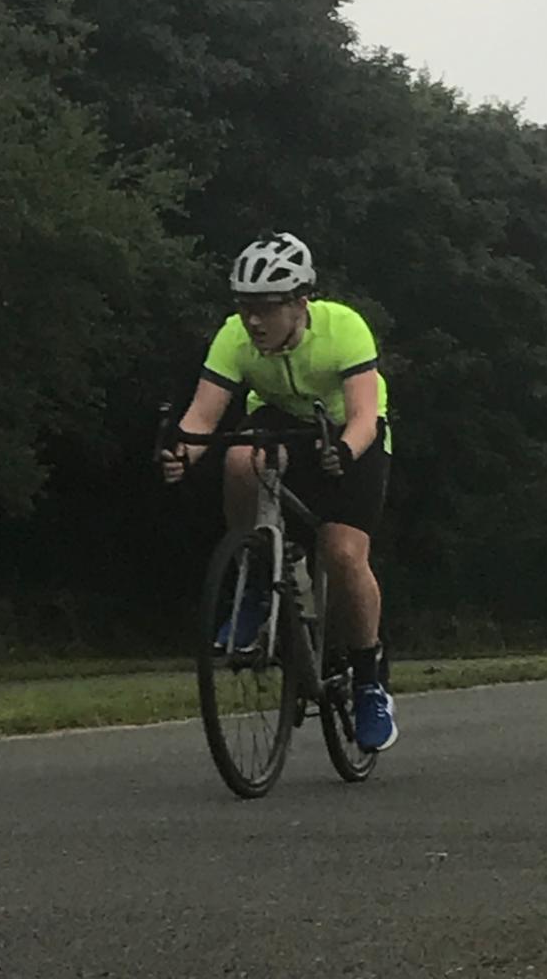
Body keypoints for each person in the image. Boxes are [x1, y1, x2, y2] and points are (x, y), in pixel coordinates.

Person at [161, 231, 398, 753]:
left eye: (266, 308)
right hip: (281, 426)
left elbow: (362, 415)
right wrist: (181, 453)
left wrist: (348, 451)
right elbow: (202, 417)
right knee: (241, 456)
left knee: (341, 552)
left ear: (299, 303)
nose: (252, 321)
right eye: (245, 307)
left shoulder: (344, 329)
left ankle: (368, 681)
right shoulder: (233, 337)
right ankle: (255, 579)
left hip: (346, 434)